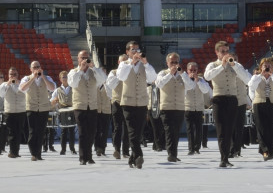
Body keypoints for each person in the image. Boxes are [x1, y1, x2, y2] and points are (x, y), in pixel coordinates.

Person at [204, 41, 250, 168]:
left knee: (230, 129)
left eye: (227, 51)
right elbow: (207, 76)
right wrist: (222, 66)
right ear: (217, 52)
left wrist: (234, 65)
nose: (225, 54)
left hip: (232, 99)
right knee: (221, 130)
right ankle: (223, 158)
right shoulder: (212, 65)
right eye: (223, 51)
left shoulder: (235, 65)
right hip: (219, 99)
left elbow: (247, 79)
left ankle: (227, 156)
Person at [109, 41, 155, 169]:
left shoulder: (144, 65)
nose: (136, 52)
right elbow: (122, 77)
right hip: (128, 102)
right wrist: (131, 63)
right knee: (131, 130)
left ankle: (132, 158)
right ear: (127, 52)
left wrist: (145, 63)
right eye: (133, 50)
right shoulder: (124, 64)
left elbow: (152, 78)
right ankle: (139, 155)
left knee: (138, 132)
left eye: (137, 49)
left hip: (141, 102)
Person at [68, 50, 106, 165]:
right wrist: (80, 70)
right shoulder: (73, 72)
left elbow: (103, 80)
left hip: (93, 106)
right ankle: (83, 157)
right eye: (82, 57)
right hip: (80, 106)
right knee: (82, 132)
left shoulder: (93, 72)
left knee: (92, 132)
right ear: (78, 59)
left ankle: (89, 156)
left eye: (86, 57)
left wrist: (94, 67)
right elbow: (73, 83)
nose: (84, 59)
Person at [19, 60, 56, 161]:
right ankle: (33, 152)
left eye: (38, 66)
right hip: (31, 107)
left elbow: (52, 88)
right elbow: (22, 89)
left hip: (44, 107)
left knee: (41, 131)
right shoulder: (26, 78)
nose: (36, 69)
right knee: (32, 131)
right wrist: (33, 78)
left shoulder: (47, 78)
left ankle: (38, 154)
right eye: (34, 67)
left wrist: (43, 77)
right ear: (30, 69)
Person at [155, 53, 189, 163]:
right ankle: (171, 154)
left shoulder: (182, 75)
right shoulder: (162, 73)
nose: (174, 64)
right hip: (166, 107)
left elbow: (191, 86)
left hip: (179, 107)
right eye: (172, 62)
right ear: (167, 63)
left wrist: (182, 74)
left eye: (176, 62)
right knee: (169, 131)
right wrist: (170, 73)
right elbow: (159, 84)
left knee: (176, 131)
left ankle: (173, 153)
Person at [248, 56, 273, 161]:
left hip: (271, 103)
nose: (267, 67)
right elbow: (251, 86)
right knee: (261, 128)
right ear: (260, 67)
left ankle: (268, 151)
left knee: (270, 128)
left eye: (269, 66)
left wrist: (272, 75)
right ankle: (265, 150)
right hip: (259, 103)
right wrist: (261, 75)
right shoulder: (256, 77)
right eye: (265, 66)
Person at [0, 67, 26, 158]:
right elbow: (0, 94)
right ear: (8, 75)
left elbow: (27, 92)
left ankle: (16, 151)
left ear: (18, 75)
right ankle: (12, 151)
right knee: (11, 132)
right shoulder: (4, 84)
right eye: (11, 74)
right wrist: (8, 84)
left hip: (21, 111)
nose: (13, 76)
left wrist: (19, 85)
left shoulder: (22, 84)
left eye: (14, 74)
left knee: (18, 132)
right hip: (10, 111)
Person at [183, 61, 210, 155]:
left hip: (199, 108)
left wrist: (197, 80)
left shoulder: (201, 80)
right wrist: (189, 79)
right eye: (191, 70)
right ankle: (191, 148)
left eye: (195, 70)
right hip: (188, 107)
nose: (193, 72)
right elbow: (184, 91)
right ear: (187, 70)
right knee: (190, 129)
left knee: (199, 129)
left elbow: (205, 90)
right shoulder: (184, 79)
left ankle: (197, 147)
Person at [54, 70, 76, 156]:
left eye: (66, 77)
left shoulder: (72, 88)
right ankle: (63, 149)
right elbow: (53, 99)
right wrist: (55, 101)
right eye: (63, 77)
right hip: (62, 111)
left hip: (71, 110)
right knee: (64, 131)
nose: (65, 79)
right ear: (60, 79)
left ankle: (72, 148)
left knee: (71, 130)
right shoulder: (58, 90)